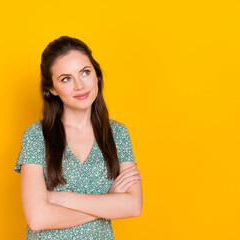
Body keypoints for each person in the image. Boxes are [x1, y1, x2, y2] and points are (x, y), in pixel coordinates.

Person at [14, 36, 143, 239]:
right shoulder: (37, 135)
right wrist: (108, 202)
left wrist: (60, 198)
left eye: (85, 72)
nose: (80, 85)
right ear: (52, 89)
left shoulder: (117, 134)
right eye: (66, 78)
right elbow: (38, 218)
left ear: (96, 75)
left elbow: (133, 206)